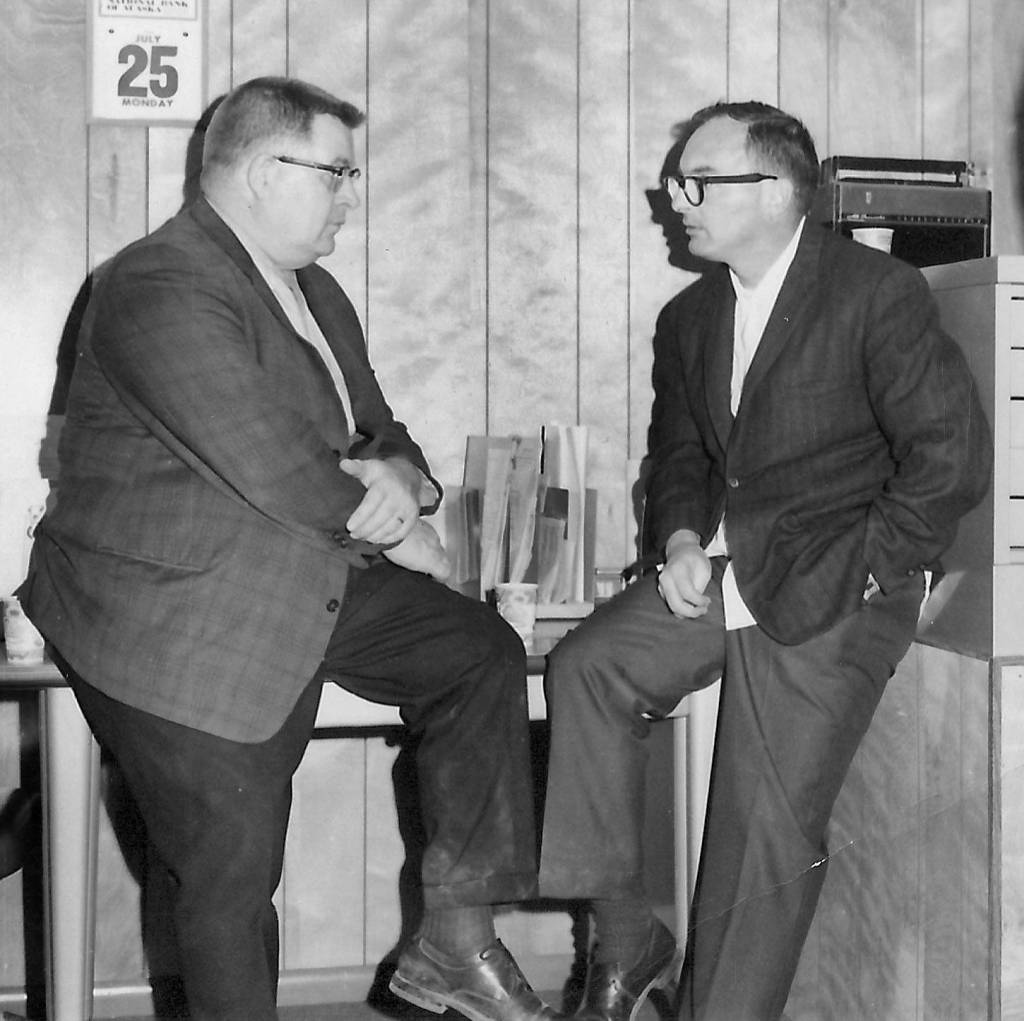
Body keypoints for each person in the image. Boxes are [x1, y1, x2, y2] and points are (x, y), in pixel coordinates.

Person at [18, 76, 555, 1021]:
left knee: (481, 651)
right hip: (174, 602)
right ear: (267, 171)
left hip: (312, 561)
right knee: (229, 872)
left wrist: (409, 484)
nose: (351, 196)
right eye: (339, 172)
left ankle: (454, 939)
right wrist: (411, 531)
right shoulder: (157, 281)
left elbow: (380, 430)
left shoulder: (316, 290)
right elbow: (276, 466)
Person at [538, 101, 992, 1021]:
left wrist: (870, 569)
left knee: (761, 834)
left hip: (842, 585)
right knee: (586, 667)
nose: (678, 199)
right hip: (726, 572)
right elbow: (678, 460)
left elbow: (951, 457)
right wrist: (674, 541)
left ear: (780, 191)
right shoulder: (690, 317)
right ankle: (626, 937)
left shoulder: (875, 291)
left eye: (698, 181)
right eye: (677, 182)